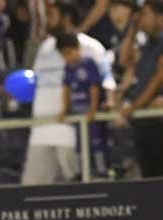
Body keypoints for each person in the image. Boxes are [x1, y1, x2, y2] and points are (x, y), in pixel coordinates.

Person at [23, 1, 115, 185]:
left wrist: (107, 103)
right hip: (41, 127)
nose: (47, 20)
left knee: (78, 185)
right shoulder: (45, 47)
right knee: (32, 187)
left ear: (66, 19)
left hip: (71, 127)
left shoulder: (90, 46)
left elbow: (106, 79)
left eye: (52, 16)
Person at [115, 0, 163, 178]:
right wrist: (132, 30)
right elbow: (124, 61)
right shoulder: (148, 43)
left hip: (160, 120)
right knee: (149, 177)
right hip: (143, 119)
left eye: (146, 14)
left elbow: (160, 78)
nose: (141, 19)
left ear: (161, 17)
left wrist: (135, 106)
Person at [57, 33, 105, 177]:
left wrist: (93, 108)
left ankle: (101, 170)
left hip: (89, 112)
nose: (67, 57)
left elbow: (94, 87)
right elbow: (66, 89)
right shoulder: (67, 68)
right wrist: (65, 109)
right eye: (63, 55)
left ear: (78, 48)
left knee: (96, 141)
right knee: (80, 144)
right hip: (77, 113)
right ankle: (83, 172)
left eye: (69, 53)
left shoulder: (88, 64)